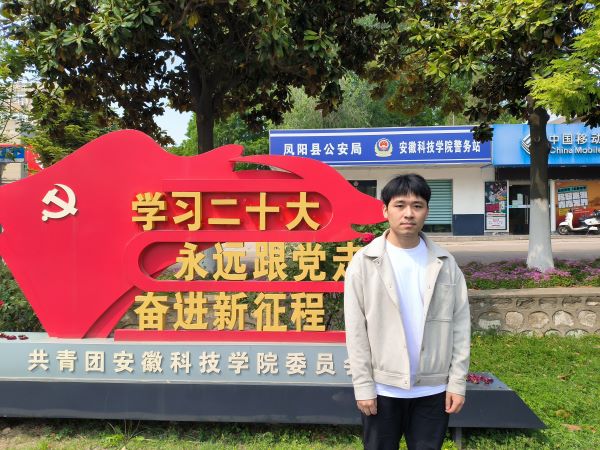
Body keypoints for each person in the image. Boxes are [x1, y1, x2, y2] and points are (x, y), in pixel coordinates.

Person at [344, 174, 471, 450]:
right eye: (400, 205)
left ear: (427, 210)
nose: (409, 214)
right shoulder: (364, 263)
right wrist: (363, 385)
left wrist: (456, 383)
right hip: (382, 388)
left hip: (433, 390)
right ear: (385, 210)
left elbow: (461, 327)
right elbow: (355, 331)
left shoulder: (445, 263)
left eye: (417, 205)